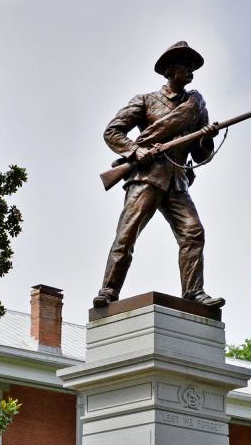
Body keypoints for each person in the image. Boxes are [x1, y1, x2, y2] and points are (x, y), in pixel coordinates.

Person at [94, 41, 225, 309]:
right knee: (126, 235)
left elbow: (201, 156)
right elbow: (112, 132)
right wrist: (134, 151)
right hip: (146, 177)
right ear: (169, 69)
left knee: (193, 232)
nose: (190, 70)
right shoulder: (145, 100)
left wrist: (207, 138)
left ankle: (193, 292)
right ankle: (108, 290)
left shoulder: (196, 105)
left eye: (192, 66)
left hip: (177, 181)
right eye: (184, 64)